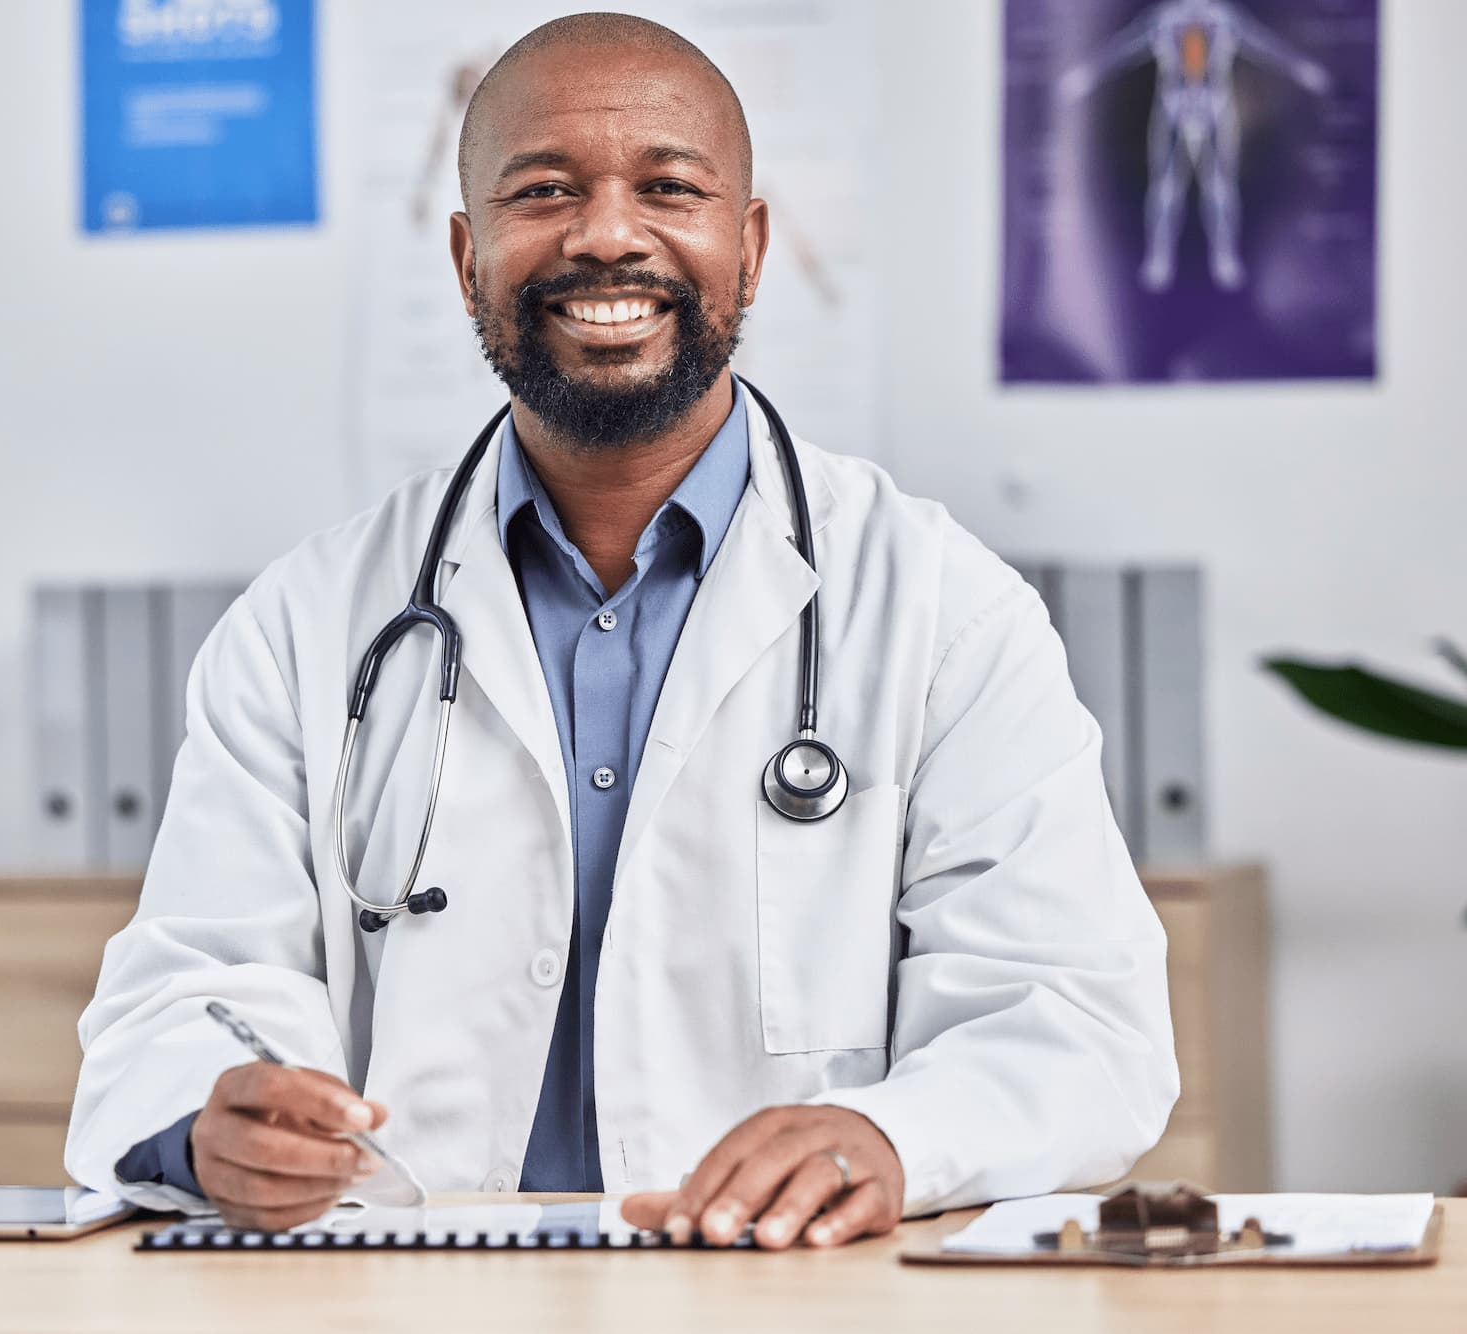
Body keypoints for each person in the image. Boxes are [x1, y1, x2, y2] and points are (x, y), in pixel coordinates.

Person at [66, 12, 1177, 1250]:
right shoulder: (303, 624)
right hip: (404, 1289)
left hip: (786, 1298)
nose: (604, 234)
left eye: (667, 186)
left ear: (747, 248)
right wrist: (208, 1126)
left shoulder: (944, 611)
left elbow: (1076, 1019)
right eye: (541, 190)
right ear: (464, 254)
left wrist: (890, 1137)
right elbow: (185, 993)